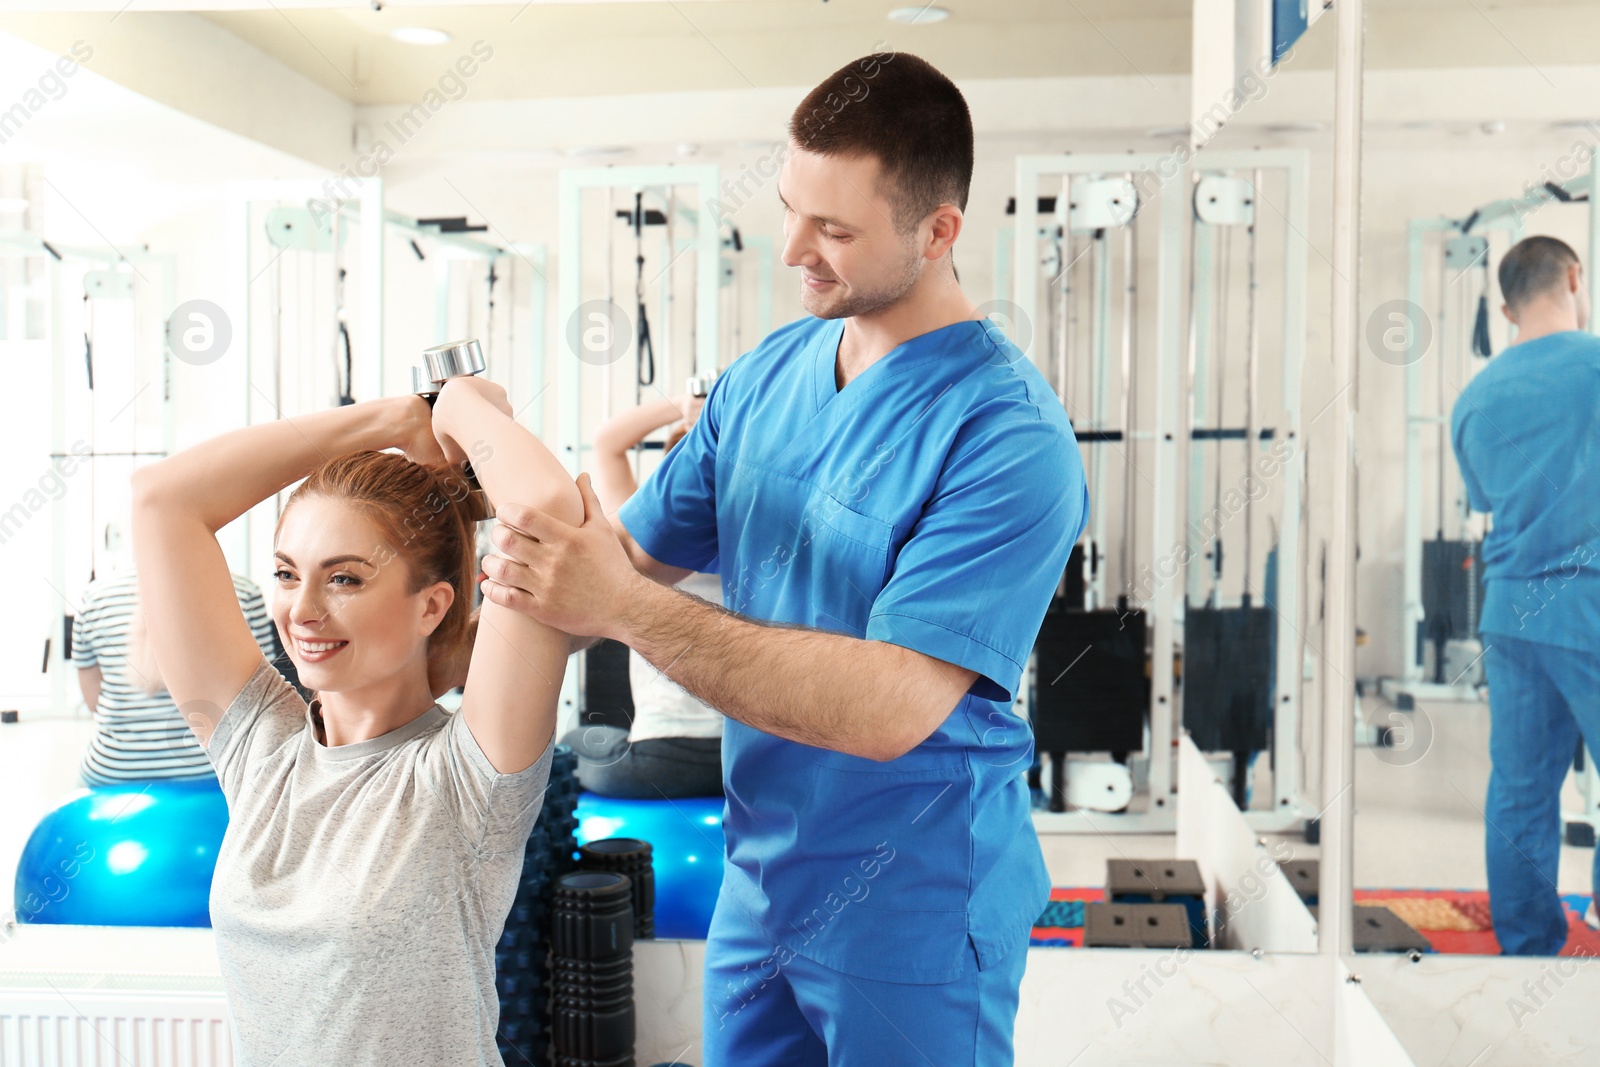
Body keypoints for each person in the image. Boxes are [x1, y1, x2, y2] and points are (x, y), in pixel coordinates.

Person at [479, 52, 1086, 1065]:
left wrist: (622, 604)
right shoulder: (766, 376)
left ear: (939, 233)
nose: (793, 247)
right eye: (792, 209)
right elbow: (610, 570)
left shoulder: (1005, 436)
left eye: (834, 229)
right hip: (760, 879)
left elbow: (891, 705)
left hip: (915, 900)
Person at [129, 376, 582, 1065]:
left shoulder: (466, 775)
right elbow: (163, 500)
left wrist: (457, 404)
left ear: (430, 606)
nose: (302, 609)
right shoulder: (261, 749)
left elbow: (548, 508)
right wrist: (396, 419)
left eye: (344, 578)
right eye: (287, 573)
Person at [1451, 234, 1600, 956]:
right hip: (1590, 610)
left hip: (1510, 612)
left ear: (1506, 308)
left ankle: (1529, 947)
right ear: (1575, 277)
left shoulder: (1475, 397)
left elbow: (1487, 497)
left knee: (1519, 788)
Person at [559, 391, 725, 799]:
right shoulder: (762, 546)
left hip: (656, 764)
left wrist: (687, 404)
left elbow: (608, 441)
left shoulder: (645, 544)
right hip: (740, 764)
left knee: (570, 743)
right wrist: (721, 408)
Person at [71, 569, 277, 784]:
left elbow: (92, 702)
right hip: (213, 774)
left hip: (113, 772)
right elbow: (262, 699)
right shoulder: (244, 592)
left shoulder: (94, 597)